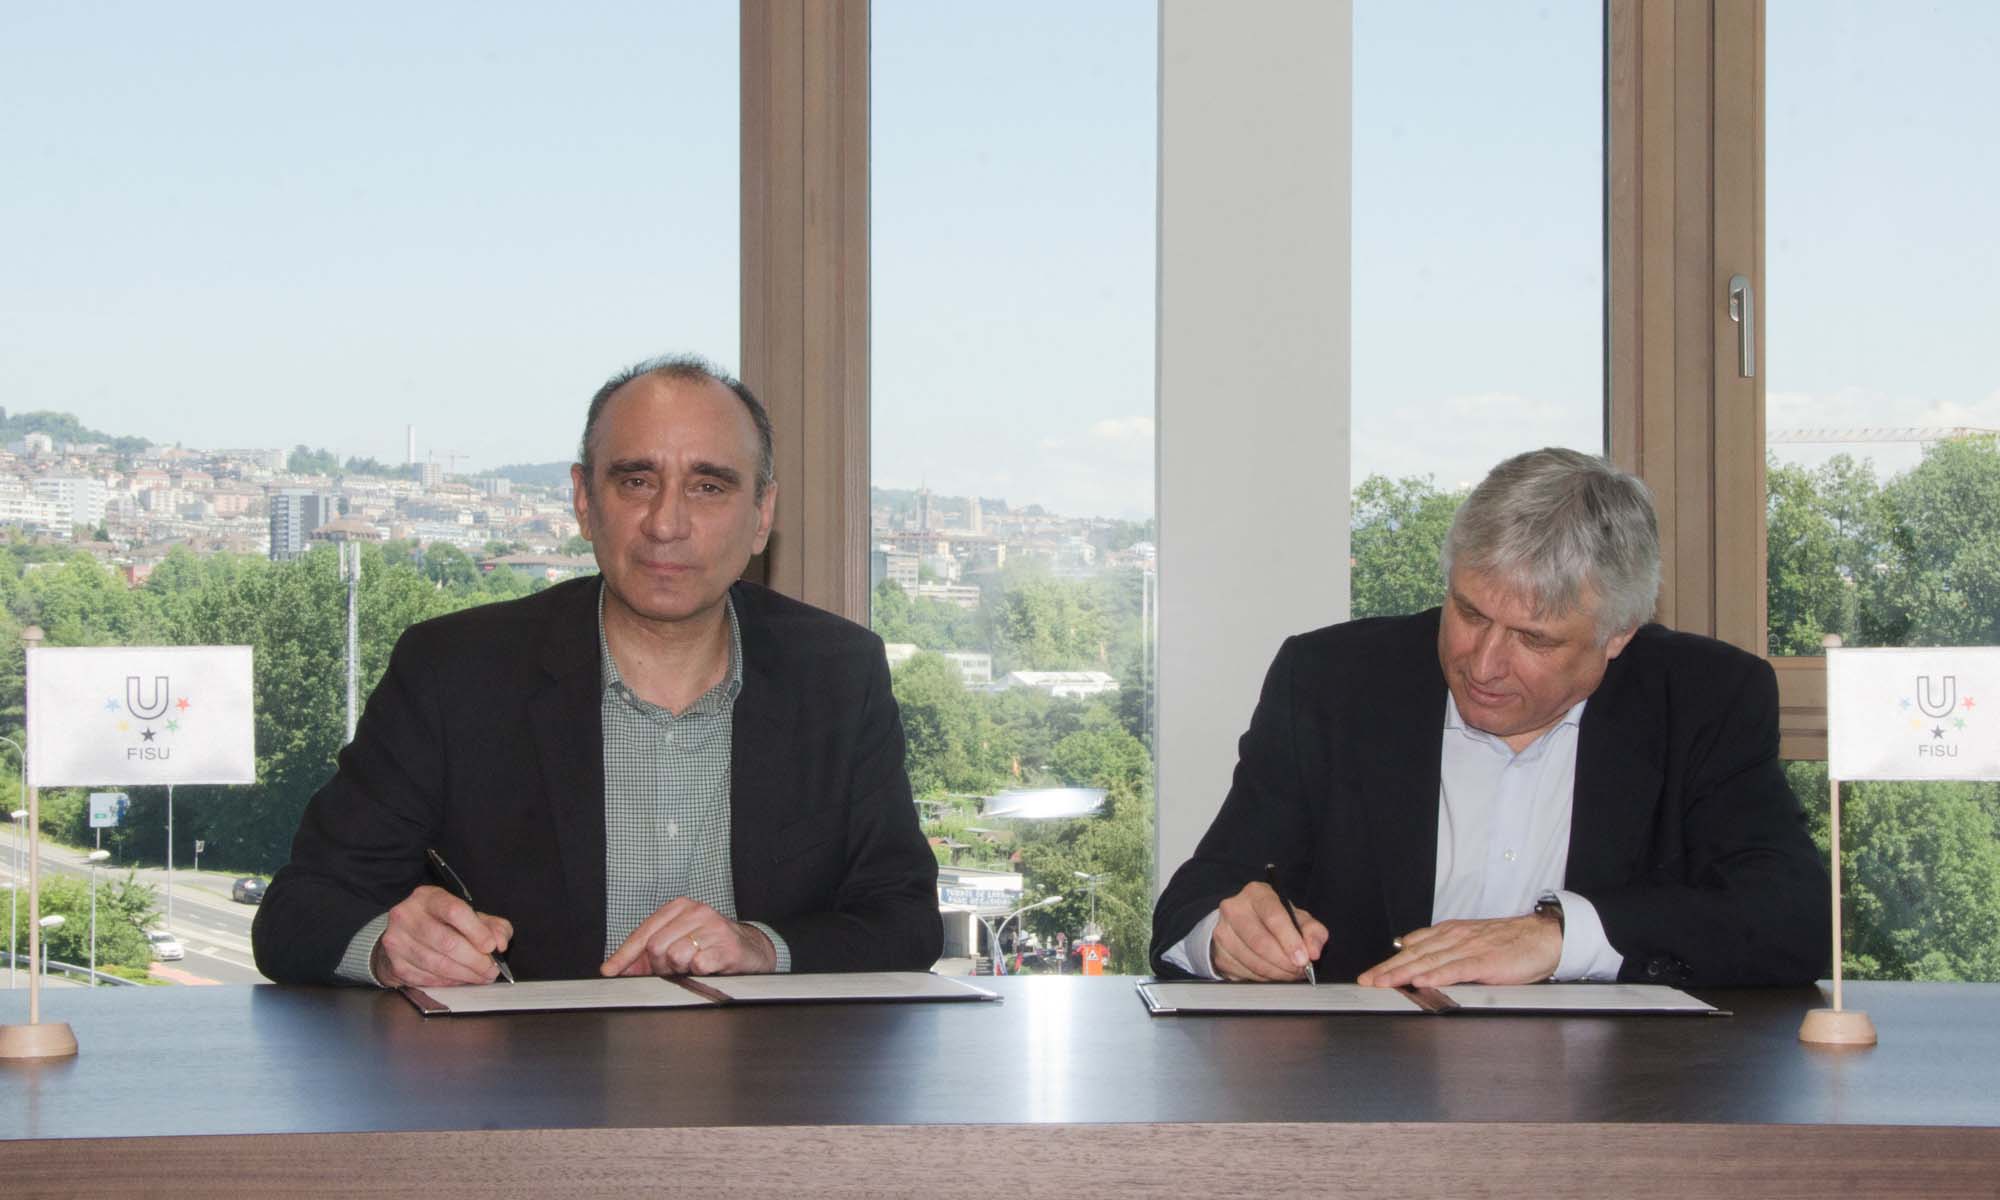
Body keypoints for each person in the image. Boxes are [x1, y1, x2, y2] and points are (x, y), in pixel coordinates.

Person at [253, 355, 941, 987]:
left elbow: (905, 920)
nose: (666, 523)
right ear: (584, 501)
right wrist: (388, 947)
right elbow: (297, 912)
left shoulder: (839, 676)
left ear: (762, 515)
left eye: (708, 486)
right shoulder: (454, 674)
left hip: (773, 1076)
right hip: (524, 1076)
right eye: (636, 481)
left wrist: (762, 948)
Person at [1150, 448, 1828, 989]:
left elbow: (1792, 919)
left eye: (1534, 639)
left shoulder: (1703, 699)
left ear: (1618, 635)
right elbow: (1201, 895)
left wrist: (1560, 936)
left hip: (1615, 1097)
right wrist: (1225, 937)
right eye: (1470, 613)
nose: (1483, 663)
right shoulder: (1332, 681)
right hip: (1366, 1090)